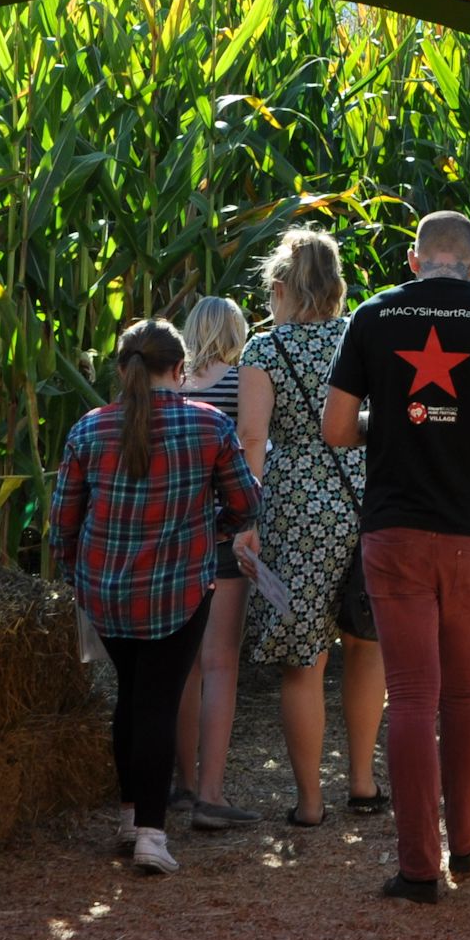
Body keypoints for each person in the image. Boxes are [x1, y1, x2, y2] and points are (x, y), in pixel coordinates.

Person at [324, 211, 470, 903]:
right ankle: (469, 842)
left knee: (411, 696)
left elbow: (335, 428)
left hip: (395, 530)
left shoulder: (374, 314)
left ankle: (419, 868)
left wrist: (387, 420)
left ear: (415, 260)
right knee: (463, 693)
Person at [51, 318, 258, 877]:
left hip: (106, 592)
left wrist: (80, 576)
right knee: (158, 702)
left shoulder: (89, 429)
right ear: (179, 368)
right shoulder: (209, 425)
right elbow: (245, 501)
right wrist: (216, 526)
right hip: (178, 588)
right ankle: (150, 833)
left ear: (122, 370)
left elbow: (62, 521)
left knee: (133, 696)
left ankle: (127, 817)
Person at [240, 228, 388, 827]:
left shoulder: (264, 351)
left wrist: (245, 516)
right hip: (365, 495)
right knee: (366, 644)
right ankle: (362, 782)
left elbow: (252, 439)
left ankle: (308, 802)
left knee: (303, 661)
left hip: (295, 506)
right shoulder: (364, 334)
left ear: (280, 287)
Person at [172, 295, 261, 829]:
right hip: (227, 532)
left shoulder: (173, 386)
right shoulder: (246, 379)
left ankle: (182, 784)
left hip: (176, 538)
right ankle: (212, 792)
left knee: (183, 664)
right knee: (220, 663)